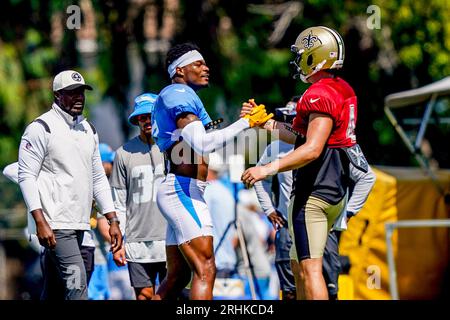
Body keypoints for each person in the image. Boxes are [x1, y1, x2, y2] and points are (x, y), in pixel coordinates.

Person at [241, 26, 374, 300]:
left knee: (311, 269)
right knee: (298, 266)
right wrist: (265, 122)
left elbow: (312, 149)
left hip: (315, 191)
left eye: (302, 54)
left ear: (316, 56)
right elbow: (301, 136)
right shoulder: (339, 88)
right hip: (332, 188)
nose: (298, 60)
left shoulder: (319, 94)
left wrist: (266, 168)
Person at [151, 42, 272, 300]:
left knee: (178, 276)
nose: (206, 68)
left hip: (184, 189)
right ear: (179, 70)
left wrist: (244, 121)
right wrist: (245, 123)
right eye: (198, 63)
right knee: (205, 268)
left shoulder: (185, 96)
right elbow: (203, 143)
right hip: (182, 190)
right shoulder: (176, 93)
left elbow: (209, 139)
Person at [254, 100, 376, 300]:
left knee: (326, 284)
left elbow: (367, 177)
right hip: (288, 224)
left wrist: (347, 213)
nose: (292, 123)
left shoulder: (336, 142)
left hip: (321, 225)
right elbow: (260, 178)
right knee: (291, 289)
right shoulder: (276, 147)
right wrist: (269, 209)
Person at [17, 70, 122, 300]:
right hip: (55, 227)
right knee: (78, 286)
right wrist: (40, 220)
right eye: (71, 93)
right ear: (57, 95)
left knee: (54, 293)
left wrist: (112, 218)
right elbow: (26, 176)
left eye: (81, 92)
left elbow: (98, 178)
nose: (78, 98)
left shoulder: (89, 130)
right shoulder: (41, 128)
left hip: (80, 226)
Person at [109, 93, 168, 300]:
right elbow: (119, 201)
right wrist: (119, 244)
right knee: (144, 296)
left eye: (150, 116)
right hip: (137, 240)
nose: (146, 121)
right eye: (142, 117)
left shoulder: (172, 147)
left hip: (170, 238)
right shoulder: (124, 153)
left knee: (173, 293)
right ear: (136, 120)